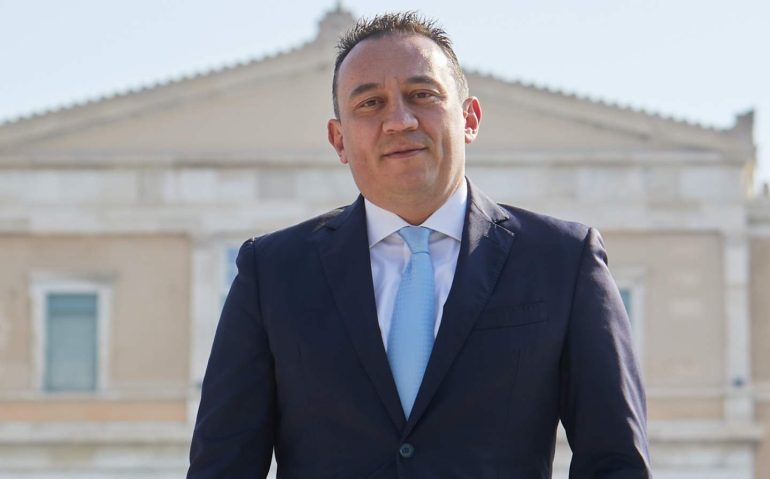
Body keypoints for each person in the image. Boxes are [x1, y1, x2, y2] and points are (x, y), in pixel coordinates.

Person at [187, 11, 651, 478]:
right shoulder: (272, 273)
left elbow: (615, 463)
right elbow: (222, 468)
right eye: (370, 103)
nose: (399, 121)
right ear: (339, 140)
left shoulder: (562, 261)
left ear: (469, 118)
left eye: (422, 95)